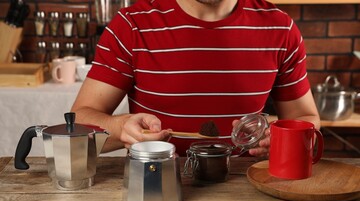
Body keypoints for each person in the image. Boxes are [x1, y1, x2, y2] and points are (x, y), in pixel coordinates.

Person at [71, 0, 320, 157]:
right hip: (156, 182)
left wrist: (282, 139)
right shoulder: (131, 26)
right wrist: (121, 129)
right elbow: (79, 123)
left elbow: (305, 118)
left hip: (247, 186)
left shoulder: (280, 28)